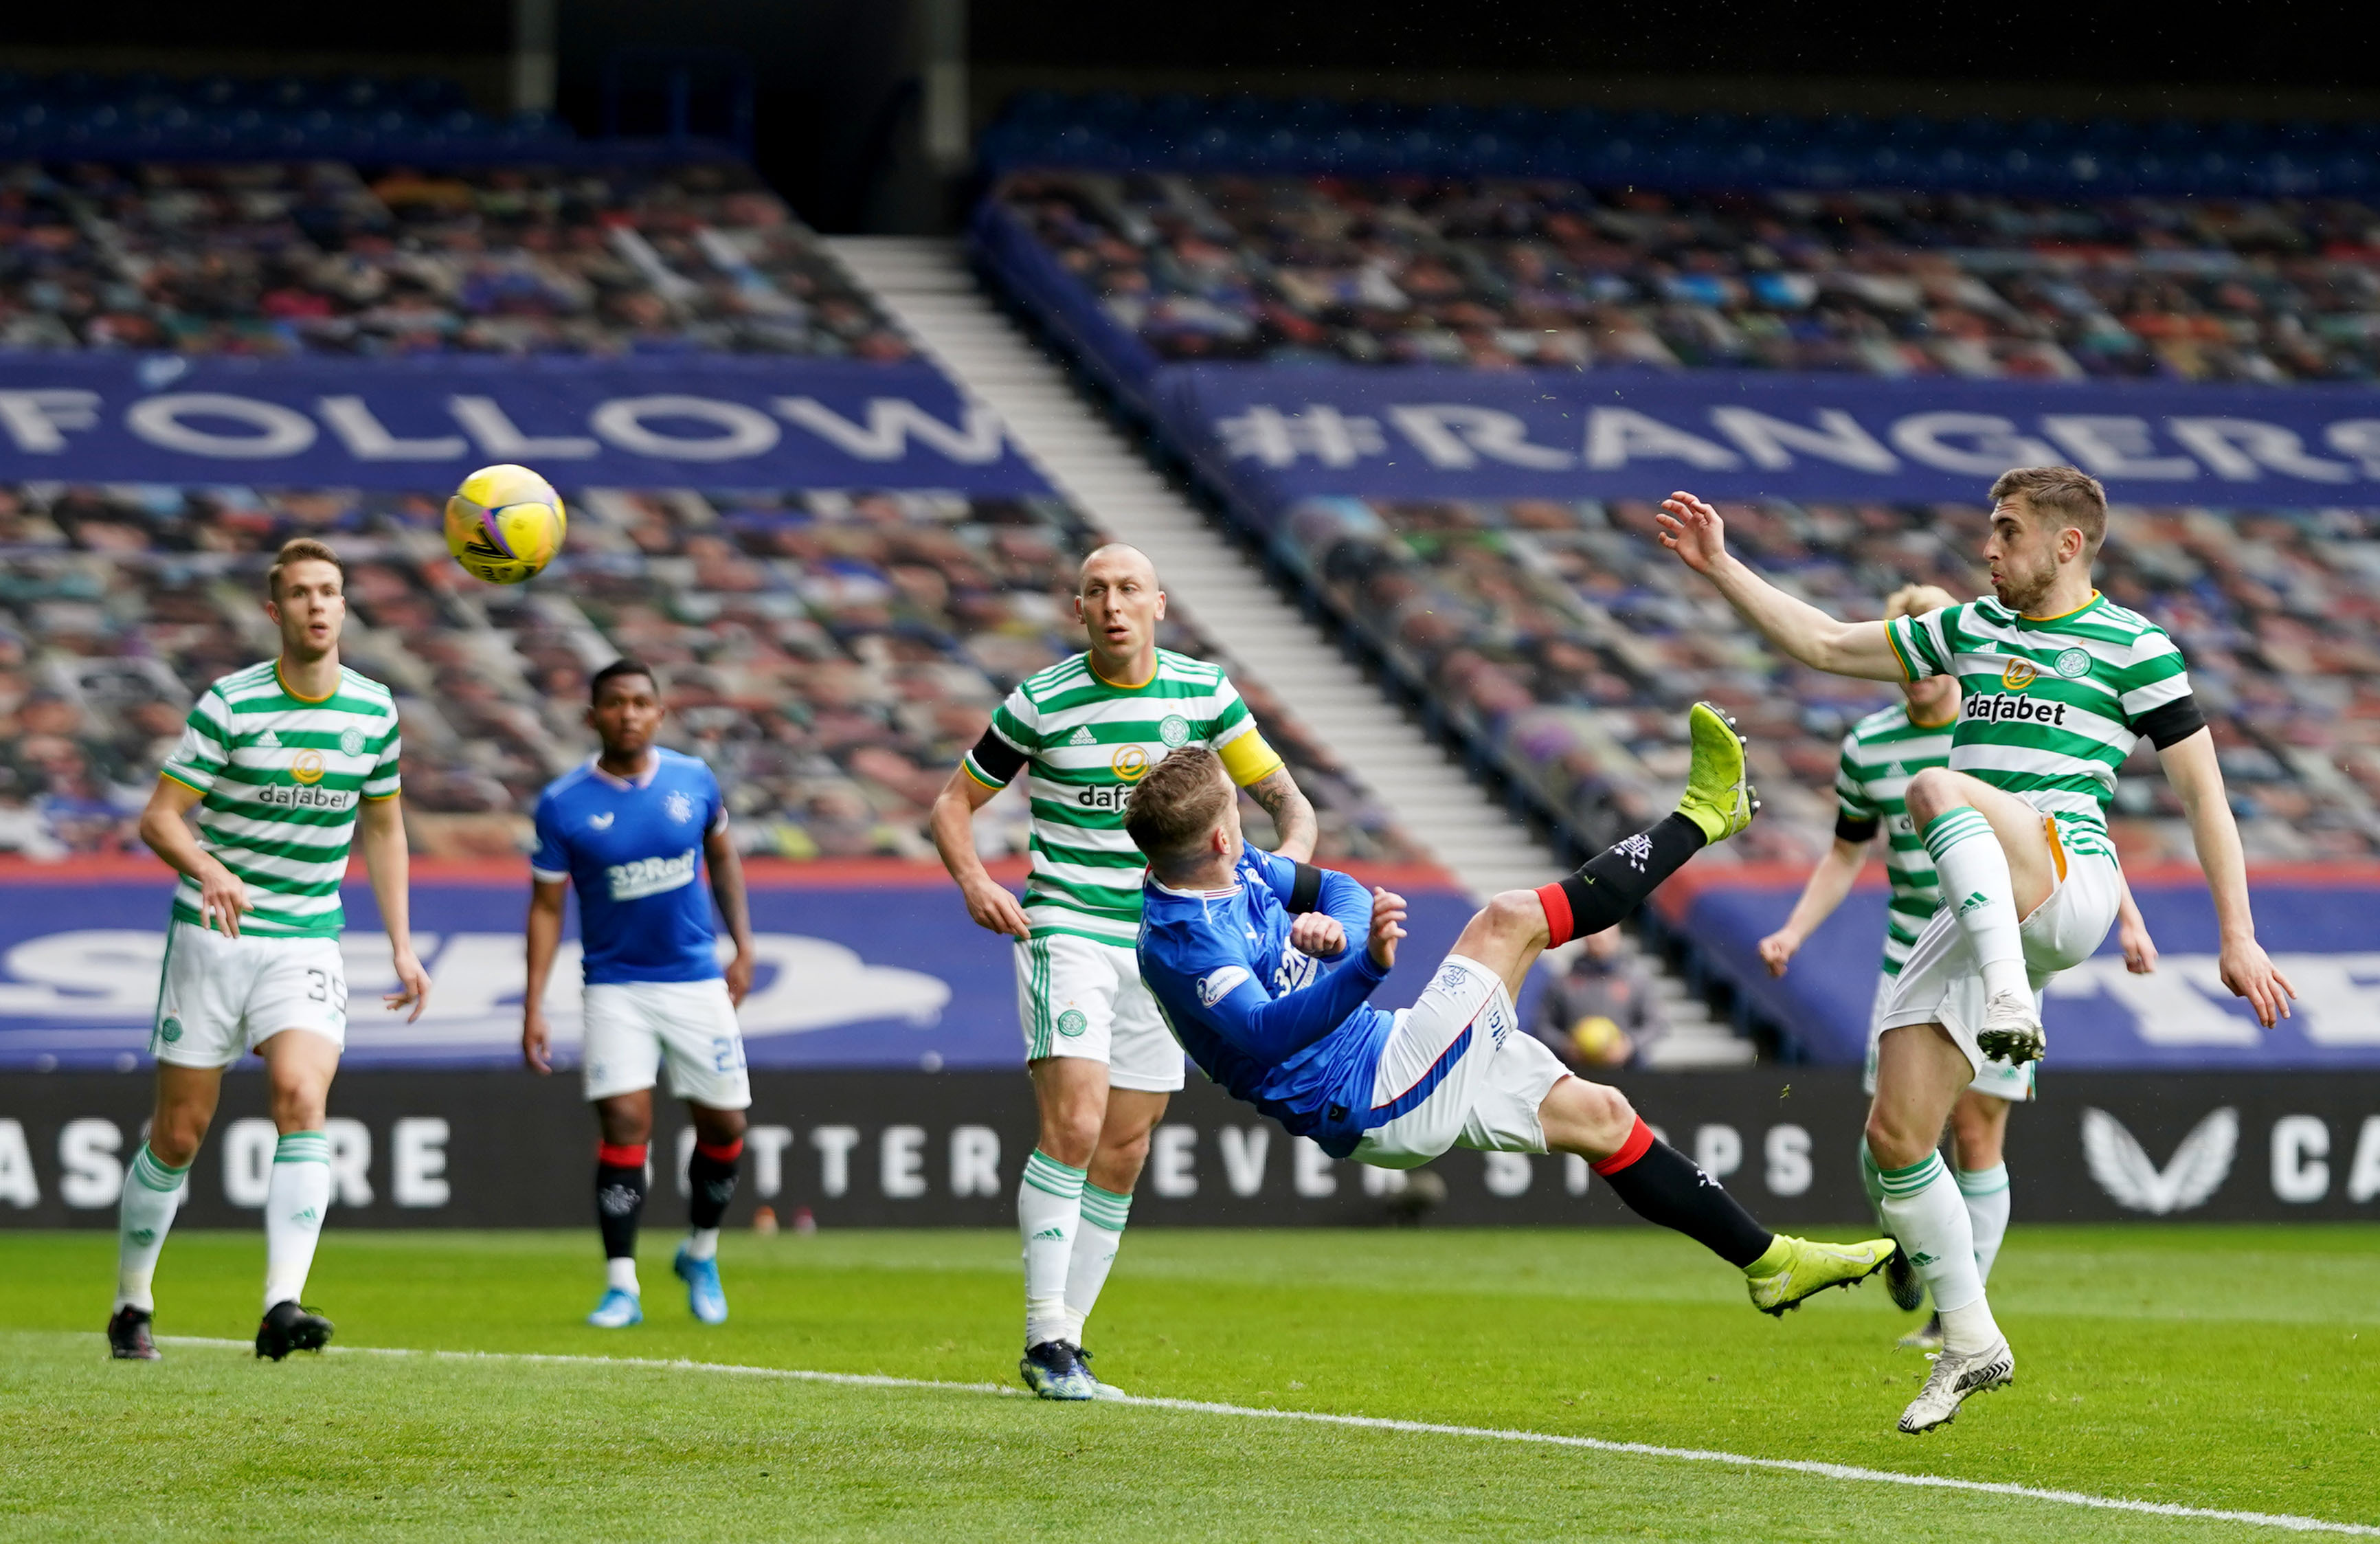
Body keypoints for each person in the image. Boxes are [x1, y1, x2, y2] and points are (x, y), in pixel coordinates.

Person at [1657, 470, 2295, 1433]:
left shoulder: (2138, 648)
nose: (1987, 549)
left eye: (2007, 530)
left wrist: (2236, 933)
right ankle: (1969, 1338)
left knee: (1932, 788)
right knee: (1895, 1138)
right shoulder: (1969, 630)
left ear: (2069, 544)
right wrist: (1719, 566)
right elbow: (1827, 641)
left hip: (2068, 875)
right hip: (1978, 909)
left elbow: (2205, 794)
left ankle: (2011, 998)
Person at [1126, 709, 1898, 1319]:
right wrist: (1362, 964)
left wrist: (1338, 928)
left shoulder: (1227, 865)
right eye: (1239, 810)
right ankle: (1702, 815)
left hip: (1380, 1053)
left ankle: (1770, 1264)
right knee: (1508, 918)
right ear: (1223, 832)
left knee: (1600, 1115)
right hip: (1369, 1098)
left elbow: (1340, 890)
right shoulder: (1184, 944)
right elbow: (1264, 1034)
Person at [930, 543, 1317, 1401]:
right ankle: (1042, 1337)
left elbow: (1289, 802)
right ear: (1077, 610)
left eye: (1128, 590)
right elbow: (952, 802)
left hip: (1166, 942)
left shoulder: (1205, 694)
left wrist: (1281, 875)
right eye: (1095, 591)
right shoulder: (1040, 701)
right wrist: (974, 881)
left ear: (1158, 605)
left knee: (1125, 1146)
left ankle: (1066, 1343)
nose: (1112, 604)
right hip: (1065, 929)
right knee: (1074, 1122)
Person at [1755, 582, 2162, 1351]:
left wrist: (2128, 920)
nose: (1921, 675)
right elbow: (1845, 855)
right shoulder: (1866, 748)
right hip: (1913, 949)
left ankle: (1955, 1314)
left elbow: (2068, 829)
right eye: (1907, 660)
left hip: (2003, 944)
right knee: (1887, 1138)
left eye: (1932, 662)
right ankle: (1910, 1247)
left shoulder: (1996, 728)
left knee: (1977, 1130)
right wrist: (1792, 930)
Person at [111, 537, 431, 1363]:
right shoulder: (230, 705)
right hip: (213, 938)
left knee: (301, 1095)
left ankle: (280, 1306)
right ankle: (132, 1302)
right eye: (300, 594)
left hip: (306, 938)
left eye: (330, 591)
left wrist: (402, 944)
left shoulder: (374, 711)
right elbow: (159, 819)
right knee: (179, 1134)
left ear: (345, 605)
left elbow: (385, 826)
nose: (317, 606)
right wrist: (211, 869)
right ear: (275, 609)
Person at [522, 658, 756, 1329]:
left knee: (725, 1125)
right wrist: (534, 1002)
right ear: (591, 716)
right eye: (614, 703)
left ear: (660, 712)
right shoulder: (564, 803)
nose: (628, 714)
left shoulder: (693, 782)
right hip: (615, 986)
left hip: (693, 978)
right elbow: (544, 907)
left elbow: (722, 859)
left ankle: (700, 1251)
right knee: (625, 1124)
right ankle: (621, 1284)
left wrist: (743, 943)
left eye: (640, 702)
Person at [1530, 927, 1665, 1069]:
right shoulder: (1564, 981)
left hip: (1628, 1070)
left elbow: (1656, 1023)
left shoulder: (1636, 980)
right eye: (1593, 934)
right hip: (1576, 1071)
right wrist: (1565, 1046)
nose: (1598, 939)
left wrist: (1629, 1045)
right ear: (1584, 938)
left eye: (1606, 933)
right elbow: (1542, 1025)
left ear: (1618, 937)